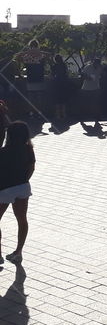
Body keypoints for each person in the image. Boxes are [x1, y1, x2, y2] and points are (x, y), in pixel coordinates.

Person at [0, 119, 35, 264]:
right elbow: (31, 168)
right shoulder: (28, 149)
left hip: (4, 189)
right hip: (22, 187)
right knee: (22, 220)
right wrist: (24, 179)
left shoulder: (3, 152)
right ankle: (18, 252)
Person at [17, 40, 48, 117]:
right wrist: (39, 52)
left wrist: (27, 52)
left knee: (31, 98)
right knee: (39, 97)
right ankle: (39, 112)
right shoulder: (41, 55)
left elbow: (18, 58)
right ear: (37, 45)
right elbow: (48, 58)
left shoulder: (27, 56)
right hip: (40, 78)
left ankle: (31, 112)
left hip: (30, 79)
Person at [80, 57, 102, 123]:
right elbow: (82, 75)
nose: (97, 65)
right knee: (85, 103)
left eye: (98, 64)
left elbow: (101, 74)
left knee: (96, 103)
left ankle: (96, 116)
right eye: (96, 64)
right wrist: (87, 77)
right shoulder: (87, 67)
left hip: (96, 88)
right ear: (94, 63)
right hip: (86, 88)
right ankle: (82, 117)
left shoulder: (100, 68)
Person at [50, 54, 71, 122]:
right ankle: (64, 114)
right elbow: (66, 74)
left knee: (57, 100)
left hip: (57, 84)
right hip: (64, 84)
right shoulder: (64, 65)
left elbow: (52, 74)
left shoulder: (55, 66)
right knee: (63, 100)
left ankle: (58, 114)